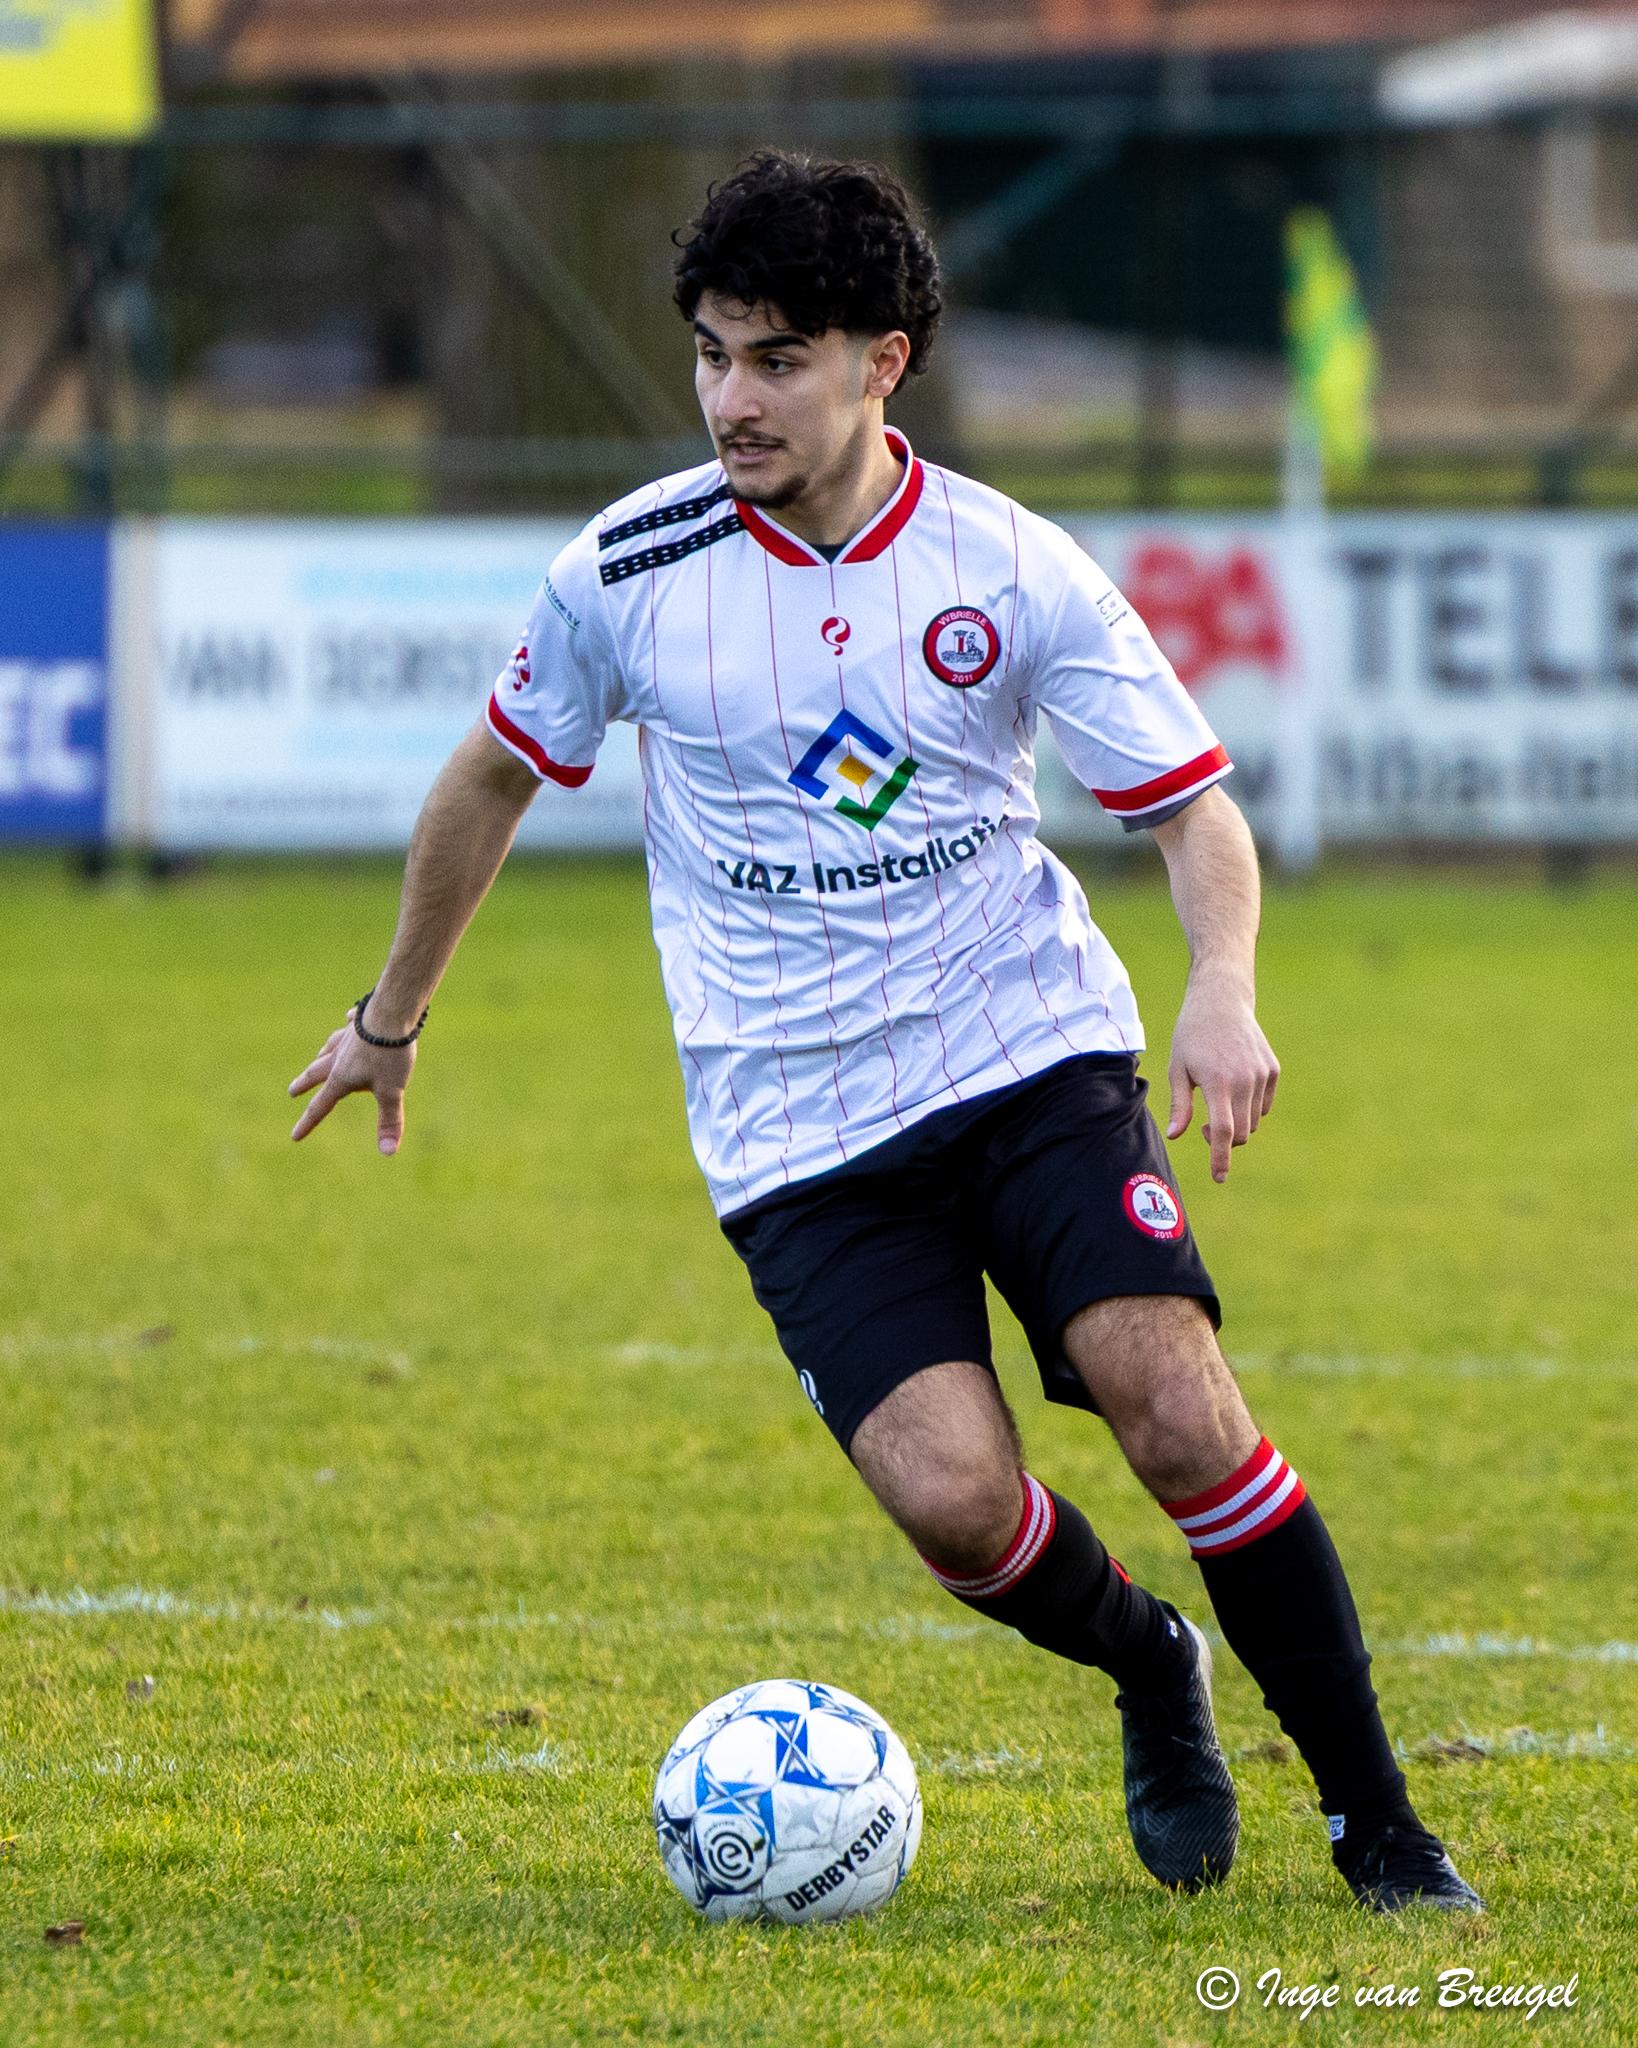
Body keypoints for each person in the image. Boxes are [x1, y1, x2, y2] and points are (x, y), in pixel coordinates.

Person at [289, 150, 1480, 1913]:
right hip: (793, 1125)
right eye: (711, 352)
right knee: (949, 1500)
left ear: (881, 361)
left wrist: (1217, 983)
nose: (730, 398)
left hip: (1024, 1054)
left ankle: (1381, 1826)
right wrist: (390, 1017)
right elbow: (483, 781)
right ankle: (1154, 1663)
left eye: (776, 359)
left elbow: (1191, 813)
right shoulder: (626, 570)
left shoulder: (1009, 564)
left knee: (1174, 1408)